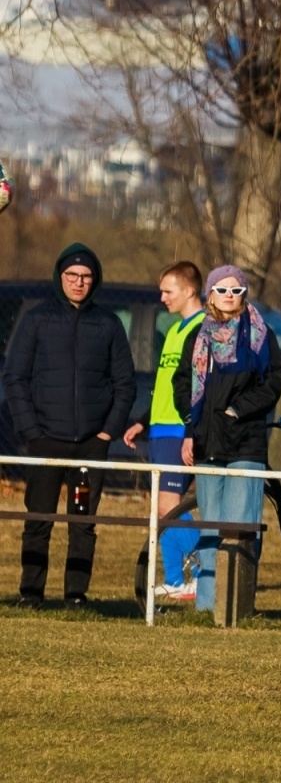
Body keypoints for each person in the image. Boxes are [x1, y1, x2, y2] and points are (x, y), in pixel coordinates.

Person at [2, 243, 135, 606]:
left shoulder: (108, 324)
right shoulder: (36, 320)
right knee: (39, 519)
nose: (79, 282)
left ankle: (76, 596)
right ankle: (31, 594)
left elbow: (125, 384)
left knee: (83, 522)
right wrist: (31, 430)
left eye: (86, 276)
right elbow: (14, 377)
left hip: (90, 446)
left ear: (95, 281)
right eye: (72, 275)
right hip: (45, 442)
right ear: (60, 277)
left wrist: (107, 432)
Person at [171, 266, 281, 614]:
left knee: (242, 527)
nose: (229, 297)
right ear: (209, 294)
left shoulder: (262, 335)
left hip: (246, 444)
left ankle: (238, 607)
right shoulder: (198, 336)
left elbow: (273, 382)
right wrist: (192, 424)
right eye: (222, 290)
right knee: (211, 527)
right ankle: (207, 607)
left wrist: (238, 410)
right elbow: (182, 383)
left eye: (236, 290)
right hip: (208, 445)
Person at [123, 261, 207, 601]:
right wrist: (143, 420)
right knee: (160, 507)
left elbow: (196, 387)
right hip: (160, 429)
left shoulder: (202, 329)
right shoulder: (174, 330)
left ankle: (205, 573)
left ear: (189, 290)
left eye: (167, 291)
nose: (162, 298)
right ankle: (177, 580)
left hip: (178, 428)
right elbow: (165, 384)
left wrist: (191, 430)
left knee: (171, 506)